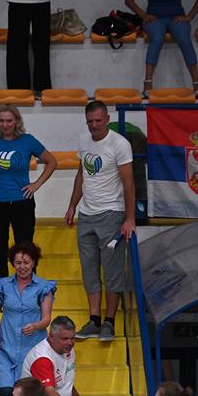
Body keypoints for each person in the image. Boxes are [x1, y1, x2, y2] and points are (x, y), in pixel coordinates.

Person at [65, 101, 135, 344]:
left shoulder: (119, 144)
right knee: (89, 269)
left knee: (112, 270)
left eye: (98, 120)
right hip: (87, 215)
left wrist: (129, 218)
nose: (94, 125)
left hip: (111, 213)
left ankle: (109, 321)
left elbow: (129, 183)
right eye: (90, 121)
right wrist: (72, 205)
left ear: (107, 119)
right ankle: (94, 319)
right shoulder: (83, 141)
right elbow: (81, 174)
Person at [0, 106, 58, 278]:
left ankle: (28, 290)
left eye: (9, 120)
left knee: (25, 251)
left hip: (22, 203)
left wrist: (36, 184)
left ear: (17, 121)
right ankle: (1, 291)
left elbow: (52, 162)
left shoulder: (28, 141)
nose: (5, 124)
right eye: (1, 121)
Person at [0, 242, 56, 396]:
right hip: (6, 344)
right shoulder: (3, 285)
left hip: (31, 346)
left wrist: (36, 326)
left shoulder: (44, 287)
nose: (22, 267)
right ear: (12, 263)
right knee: (5, 389)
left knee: (26, 390)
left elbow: (47, 318)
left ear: (34, 262)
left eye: (26, 262)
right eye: (18, 263)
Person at [126, 0, 198, 99]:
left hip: (176, 17)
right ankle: (147, 84)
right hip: (154, 18)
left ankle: (197, 84)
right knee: (157, 37)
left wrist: (189, 17)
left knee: (184, 39)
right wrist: (144, 15)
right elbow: (128, 0)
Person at [21, 316, 97, 396]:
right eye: (65, 339)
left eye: (72, 338)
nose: (70, 343)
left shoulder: (68, 350)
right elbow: (48, 393)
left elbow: (65, 380)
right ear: (51, 337)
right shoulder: (42, 358)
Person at [6, 0, 51, 93]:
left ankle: (42, 87)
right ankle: (18, 89)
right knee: (17, 47)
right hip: (18, 0)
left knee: (42, 47)